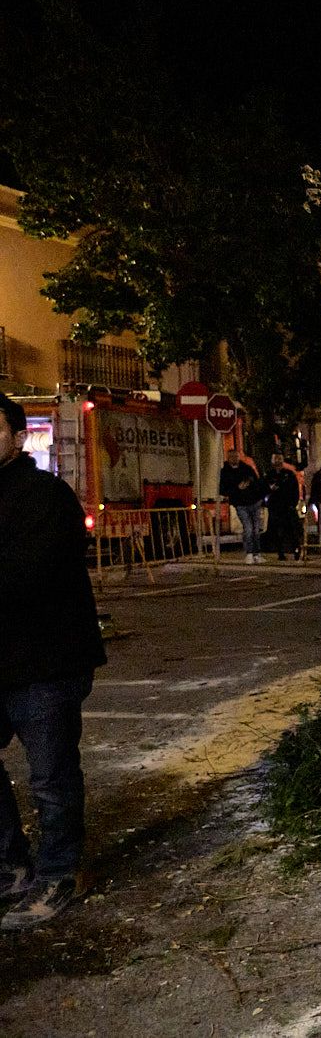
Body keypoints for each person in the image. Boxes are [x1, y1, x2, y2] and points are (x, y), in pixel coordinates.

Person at [0, 393, 106, 930]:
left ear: (17, 437)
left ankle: (61, 874)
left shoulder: (44, 496)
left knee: (51, 777)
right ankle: (11, 869)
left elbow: (28, 577)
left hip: (45, 664)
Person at [219, 449, 264, 564]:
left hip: (254, 502)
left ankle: (257, 554)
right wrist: (237, 488)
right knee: (248, 528)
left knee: (256, 529)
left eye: (236, 456)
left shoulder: (247, 468)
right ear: (228, 458)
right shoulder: (225, 472)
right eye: (232, 457)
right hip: (240, 504)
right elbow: (223, 490)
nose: (234, 459)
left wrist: (253, 489)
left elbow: (257, 483)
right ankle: (249, 553)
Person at [264, 453, 303, 562]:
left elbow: (295, 490)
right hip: (275, 507)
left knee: (292, 530)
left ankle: (296, 550)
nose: (278, 461)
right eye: (276, 459)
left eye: (280, 459)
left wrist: (292, 504)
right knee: (277, 531)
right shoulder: (269, 474)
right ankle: (280, 553)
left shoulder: (289, 474)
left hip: (287, 506)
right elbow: (264, 488)